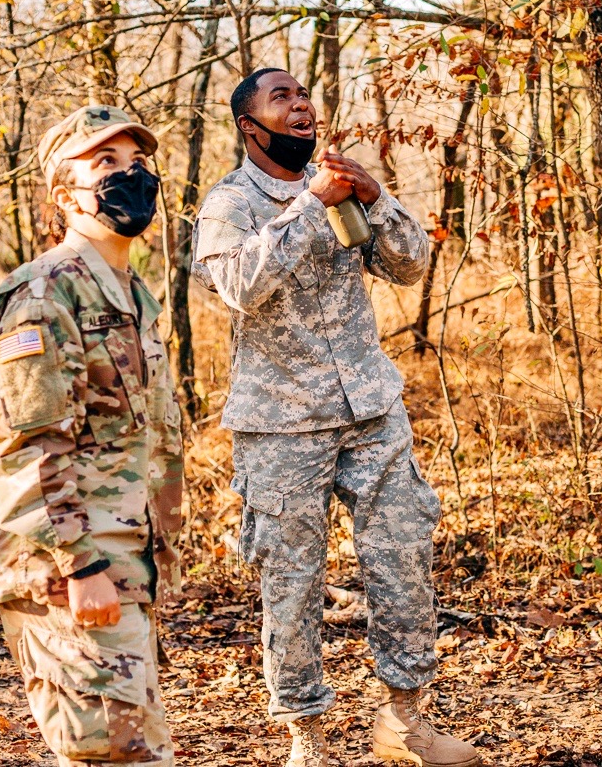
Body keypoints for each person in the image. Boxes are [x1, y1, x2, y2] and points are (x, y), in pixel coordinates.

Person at [191, 68, 480, 767]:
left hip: (372, 411)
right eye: (281, 98)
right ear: (249, 126)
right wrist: (308, 207)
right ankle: (307, 740)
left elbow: (409, 267)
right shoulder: (229, 203)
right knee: (292, 584)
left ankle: (404, 723)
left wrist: (376, 198)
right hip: (282, 425)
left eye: (303, 95)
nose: (301, 105)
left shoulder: (341, 186)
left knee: (404, 559)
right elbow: (238, 286)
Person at [0, 105, 185, 767]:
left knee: (125, 752)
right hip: (70, 569)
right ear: (64, 193)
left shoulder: (130, 294)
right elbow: (27, 449)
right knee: (112, 755)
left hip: (123, 565)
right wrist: (80, 565)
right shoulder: (45, 295)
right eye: (105, 162)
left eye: (137, 162)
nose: (129, 175)